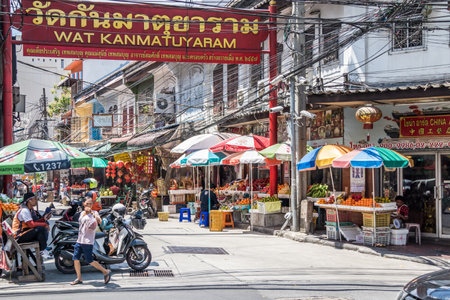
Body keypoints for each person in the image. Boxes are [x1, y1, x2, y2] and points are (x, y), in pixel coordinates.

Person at [71, 197, 111, 285]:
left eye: (90, 204)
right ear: (84, 204)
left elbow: (100, 222)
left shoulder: (95, 213)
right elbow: (80, 220)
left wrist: (92, 214)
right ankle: (79, 278)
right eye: (87, 204)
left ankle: (105, 271)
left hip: (87, 241)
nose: (89, 205)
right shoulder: (82, 213)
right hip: (80, 240)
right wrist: (86, 213)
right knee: (75, 258)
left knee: (89, 260)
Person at [12, 192, 51, 258]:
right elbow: (31, 224)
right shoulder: (25, 210)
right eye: (35, 199)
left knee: (41, 228)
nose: (36, 201)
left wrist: (44, 219)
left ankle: (43, 248)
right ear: (29, 201)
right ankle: (42, 250)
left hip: (24, 232)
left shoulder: (29, 210)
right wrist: (44, 224)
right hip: (19, 236)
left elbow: (33, 222)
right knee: (40, 228)